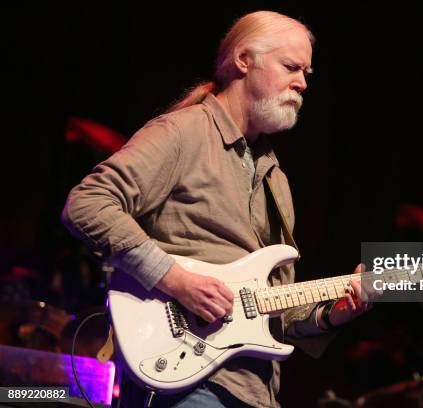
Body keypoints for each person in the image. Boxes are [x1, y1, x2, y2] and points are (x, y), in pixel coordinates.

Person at [62, 10, 374, 408]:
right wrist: (175, 280)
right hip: (187, 383)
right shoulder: (184, 132)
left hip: (254, 391)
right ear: (244, 60)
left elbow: (278, 309)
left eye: (306, 74)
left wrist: (336, 313)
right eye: (291, 67)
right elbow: (87, 205)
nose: (301, 83)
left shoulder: (275, 177)